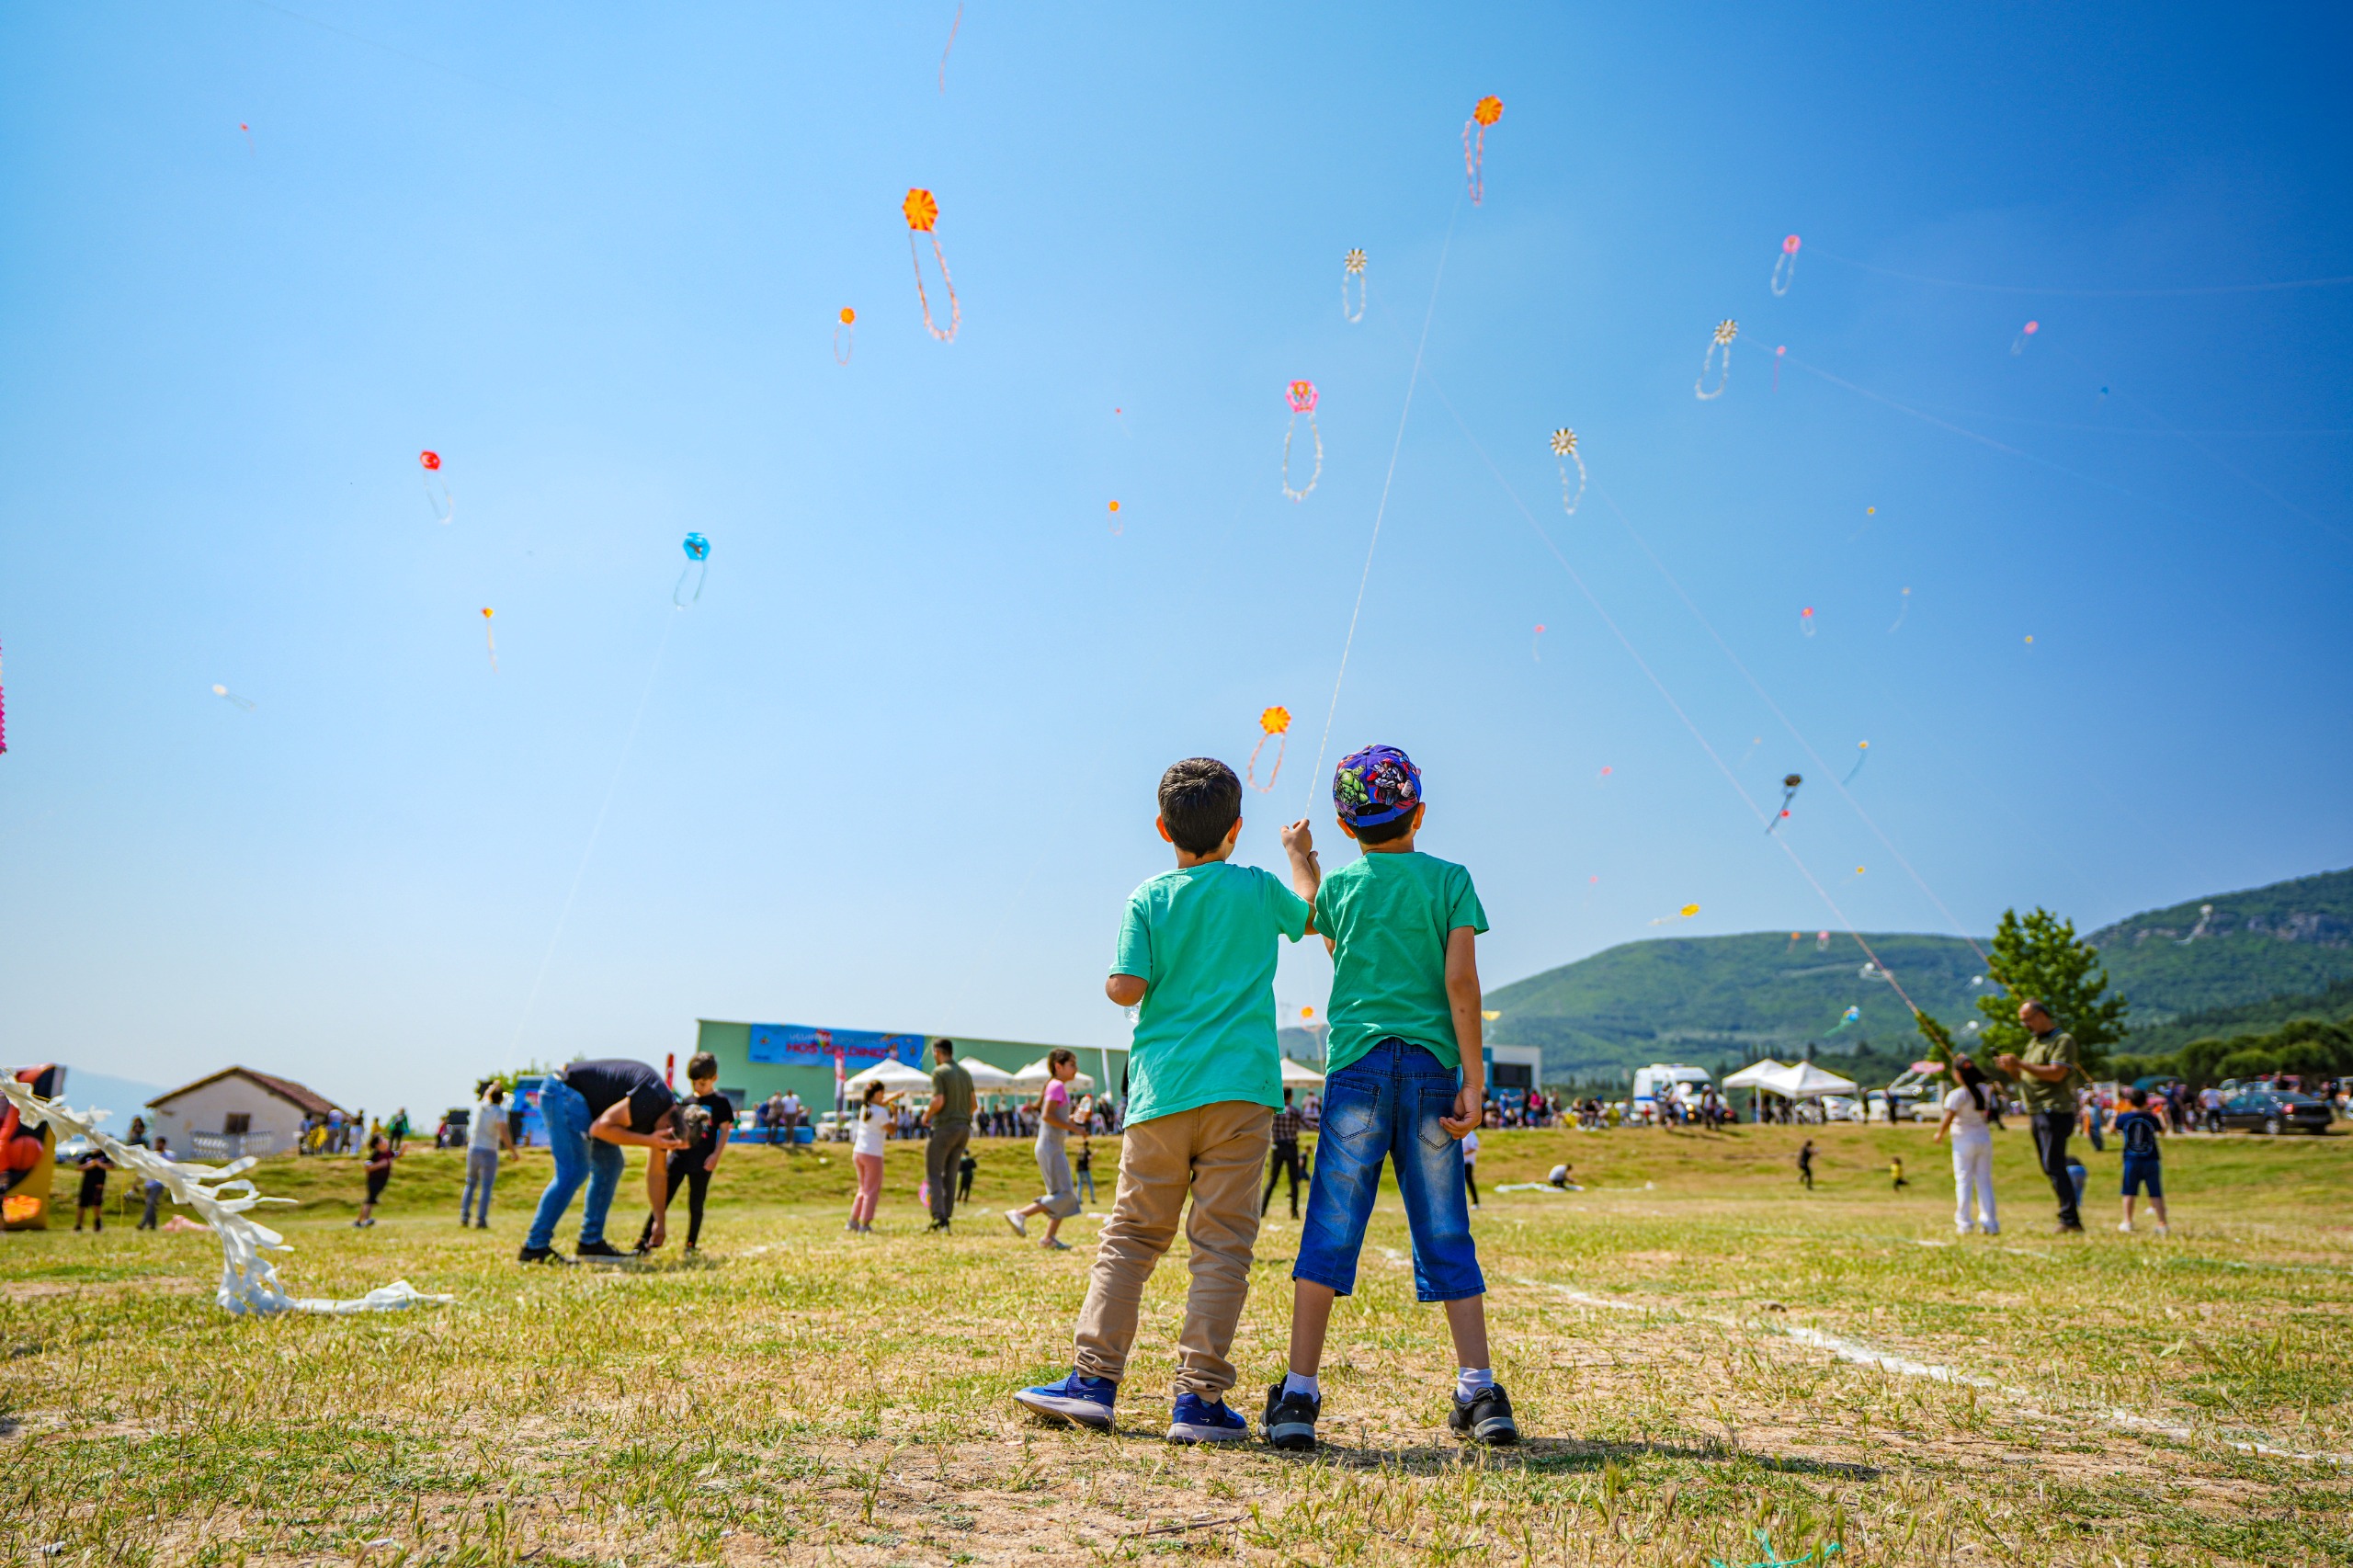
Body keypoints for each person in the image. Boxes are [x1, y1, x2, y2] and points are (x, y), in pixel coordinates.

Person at [1015, 756, 1317, 1443]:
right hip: (1243, 1093)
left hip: (1163, 1092)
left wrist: (1117, 986)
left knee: (1131, 1237)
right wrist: (1301, 854)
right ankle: (1198, 1400)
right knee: (1224, 1247)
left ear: (1162, 828)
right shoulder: (1258, 887)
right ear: (1237, 830)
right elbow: (1311, 913)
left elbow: (1126, 986)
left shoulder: (1147, 897)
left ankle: (1093, 1382)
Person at [1267, 744, 1516, 1453]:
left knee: (1330, 1226)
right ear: (1420, 813)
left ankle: (1299, 1395)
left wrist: (1300, 856)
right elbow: (1461, 985)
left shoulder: (1342, 887)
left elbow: (1318, 920)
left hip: (1358, 1074)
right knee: (1444, 1228)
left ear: (1347, 828)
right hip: (1436, 1071)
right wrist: (1475, 1076)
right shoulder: (1450, 881)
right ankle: (1479, 1390)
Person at [520, 1058, 688, 1264]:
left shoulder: (664, 1121)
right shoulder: (652, 1099)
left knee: (611, 1165)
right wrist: (648, 1140)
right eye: (670, 1145)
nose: (665, 1148)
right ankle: (534, 1247)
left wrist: (659, 1220)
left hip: (586, 1104)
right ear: (670, 1129)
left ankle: (590, 1243)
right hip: (564, 1091)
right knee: (574, 1169)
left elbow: (657, 1174)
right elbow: (599, 1129)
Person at [1995, 999, 2089, 1233]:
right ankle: (2068, 1216)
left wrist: (2021, 1063)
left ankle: (2070, 1219)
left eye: (2027, 1019)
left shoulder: (2062, 1040)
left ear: (2041, 1015)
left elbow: (2057, 1073)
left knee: (2054, 1165)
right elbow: (2024, 1078)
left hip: (2054, 1110)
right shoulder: (2034, 1042)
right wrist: (2013, 1069)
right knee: (2049, 1166)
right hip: (2037, 1111)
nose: (2025, 1024)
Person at [636, 1053, 733, 1256]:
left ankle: (691, 1244)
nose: (698, 1087)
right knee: (662, 1199)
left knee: (696, 1204)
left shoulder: (721, 1102)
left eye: (703, 1083)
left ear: (714, 1078)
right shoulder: (685, 1102)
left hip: (702, 1162)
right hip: (679, 1159)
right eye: (694, 1082)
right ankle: (644, 1240)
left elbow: (724, 1130)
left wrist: (716, 1155)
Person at [1006, 1050, 1086, 1249]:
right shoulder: (1057, 1085)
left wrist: (1072, 1120)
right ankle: (1019, 1214)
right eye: (1072, 1065)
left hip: (1052, 1146)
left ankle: (1049, 1239)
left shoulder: (1056, 1086)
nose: (1076, 1069)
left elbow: (1054, 1117)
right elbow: (1047, 1116)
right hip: (1050, 1146)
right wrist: (1073, 1127)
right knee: (1065, 1195)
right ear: (1059, 1066)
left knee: (1061, 1194)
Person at [1932, 1058, 2000, 1235]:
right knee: (1984, 1181)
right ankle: (1990, 1223)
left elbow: (1949, 1116)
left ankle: (1964, 1223)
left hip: (1964, 1140)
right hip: (1983, 1137)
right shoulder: (1985, 1090)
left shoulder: (1958, 1095)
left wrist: (1940, 1133)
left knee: (1964, 1181)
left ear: (1958, 1074)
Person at [922, 1040, 976, 1232]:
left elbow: (938, 1100)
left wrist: (927, 1116)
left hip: (944, 1127)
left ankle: (939, 1217)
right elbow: (974, 1105)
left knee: (934, 1173)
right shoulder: (965, 1073)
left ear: (937, 1052)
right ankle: (947, 1214)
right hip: (963, 1129)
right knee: (951, 1174)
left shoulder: (939, 1072)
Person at [847, 1080, 901, 1234]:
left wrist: (893, 1097)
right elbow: (892, 1130)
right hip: (873, 1154)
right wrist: (895, 1115)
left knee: (863, 1189)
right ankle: (865, 1224)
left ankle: (853, 1221)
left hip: (859, 1152)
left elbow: (880, 1104)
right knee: (872, 1190)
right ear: (877, 1094)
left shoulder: (866, 1108)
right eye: (883, 1093)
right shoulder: (881, 1112)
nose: (884, 1096)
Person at [2115, 1086, 2170, 1235]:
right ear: (2146, 1101)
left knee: (2128, 1191)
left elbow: (2110, 1129)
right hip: (2151, 1158)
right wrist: (2161, 1116)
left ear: (2130, 1101)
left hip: (2131, 1159)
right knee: (2155, 1192)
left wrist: (2117, 1110)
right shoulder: (2151, 1117)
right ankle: (2162, 1223)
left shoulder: (2124, 1117)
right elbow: (2163, 1130)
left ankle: (2127, 1221)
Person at [461, 1082, 515, 1229]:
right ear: (501, 1099)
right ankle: (481, 1219)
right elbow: (504, 1132)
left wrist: (493, 1086)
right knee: (486, 1186)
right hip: (489, 1151)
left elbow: (486, 1096)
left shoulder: (482, 1106)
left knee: (470, 1183)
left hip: (474, 1149)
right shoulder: (500, 1112)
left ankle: (464, 1216)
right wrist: (513, 1151)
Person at [1262, 1089, 1305, 1220]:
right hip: (1291, 1147)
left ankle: (1262, 1210)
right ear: (1291, 1097)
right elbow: (1307, 1124)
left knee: (1272, 1180)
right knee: (1294, 1181)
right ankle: (1294, 1212)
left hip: (1278, 1147)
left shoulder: (1275, 1111)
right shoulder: (1295, 1111)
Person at [355, 1131, 394, 1228]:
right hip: (374, 1180)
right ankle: (363, 1221)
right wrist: (379, 1165)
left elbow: (396, 1155)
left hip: (382, 1180)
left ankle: (361, 1221)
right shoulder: (376, 1154)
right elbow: (367, 1165)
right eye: (382, 1140)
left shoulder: (388, 1153)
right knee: (370, 1200)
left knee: (370, 1200)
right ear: (377, 1145)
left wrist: (404, 1149)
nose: (385, 1141)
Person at [137, 1138, 171, 1230]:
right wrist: (137, 1181)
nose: (157, 1145)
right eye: (157, 1143)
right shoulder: (152, 1155)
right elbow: (144, 1168)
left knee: (150, 1202)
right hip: (149, 1183)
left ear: (164, 1144)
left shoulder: (169, 1155)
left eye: (159, 1143)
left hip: (159, 1183)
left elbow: (172, 1168)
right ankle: (153, 1225)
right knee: (151, 1205)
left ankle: (142, 1224)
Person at [74, 1149, 111, 1232]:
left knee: (96, 1204)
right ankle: (79, 1224)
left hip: (98, 1184)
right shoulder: (87, 1156)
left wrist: (99, 1164)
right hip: (86, 1183)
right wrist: (89, 1165)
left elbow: (111, 1166)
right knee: (82, 1204)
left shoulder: (104, 1156)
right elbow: (78, 1167)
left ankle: (97, 1223)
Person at [1462, 1120, 1483, 1210]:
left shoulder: (1470, 1134)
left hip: (1468, 1162)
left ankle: (1476, 1202)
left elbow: (1474, 1148)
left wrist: (1462, 1153)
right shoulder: (1460, 1134)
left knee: (1469, 1181)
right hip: (1460, 1162)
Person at [1072, 1136, 1095, 1206]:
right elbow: (1089, 1158)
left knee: (1080, 1184)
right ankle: (1092, 1199)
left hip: (1079, 1169)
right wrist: (1095, 1153)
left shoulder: (1080, 1150)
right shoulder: (1087, 1151)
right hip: (1085, 1169)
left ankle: (1079, 1199)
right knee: (1090, 1184)